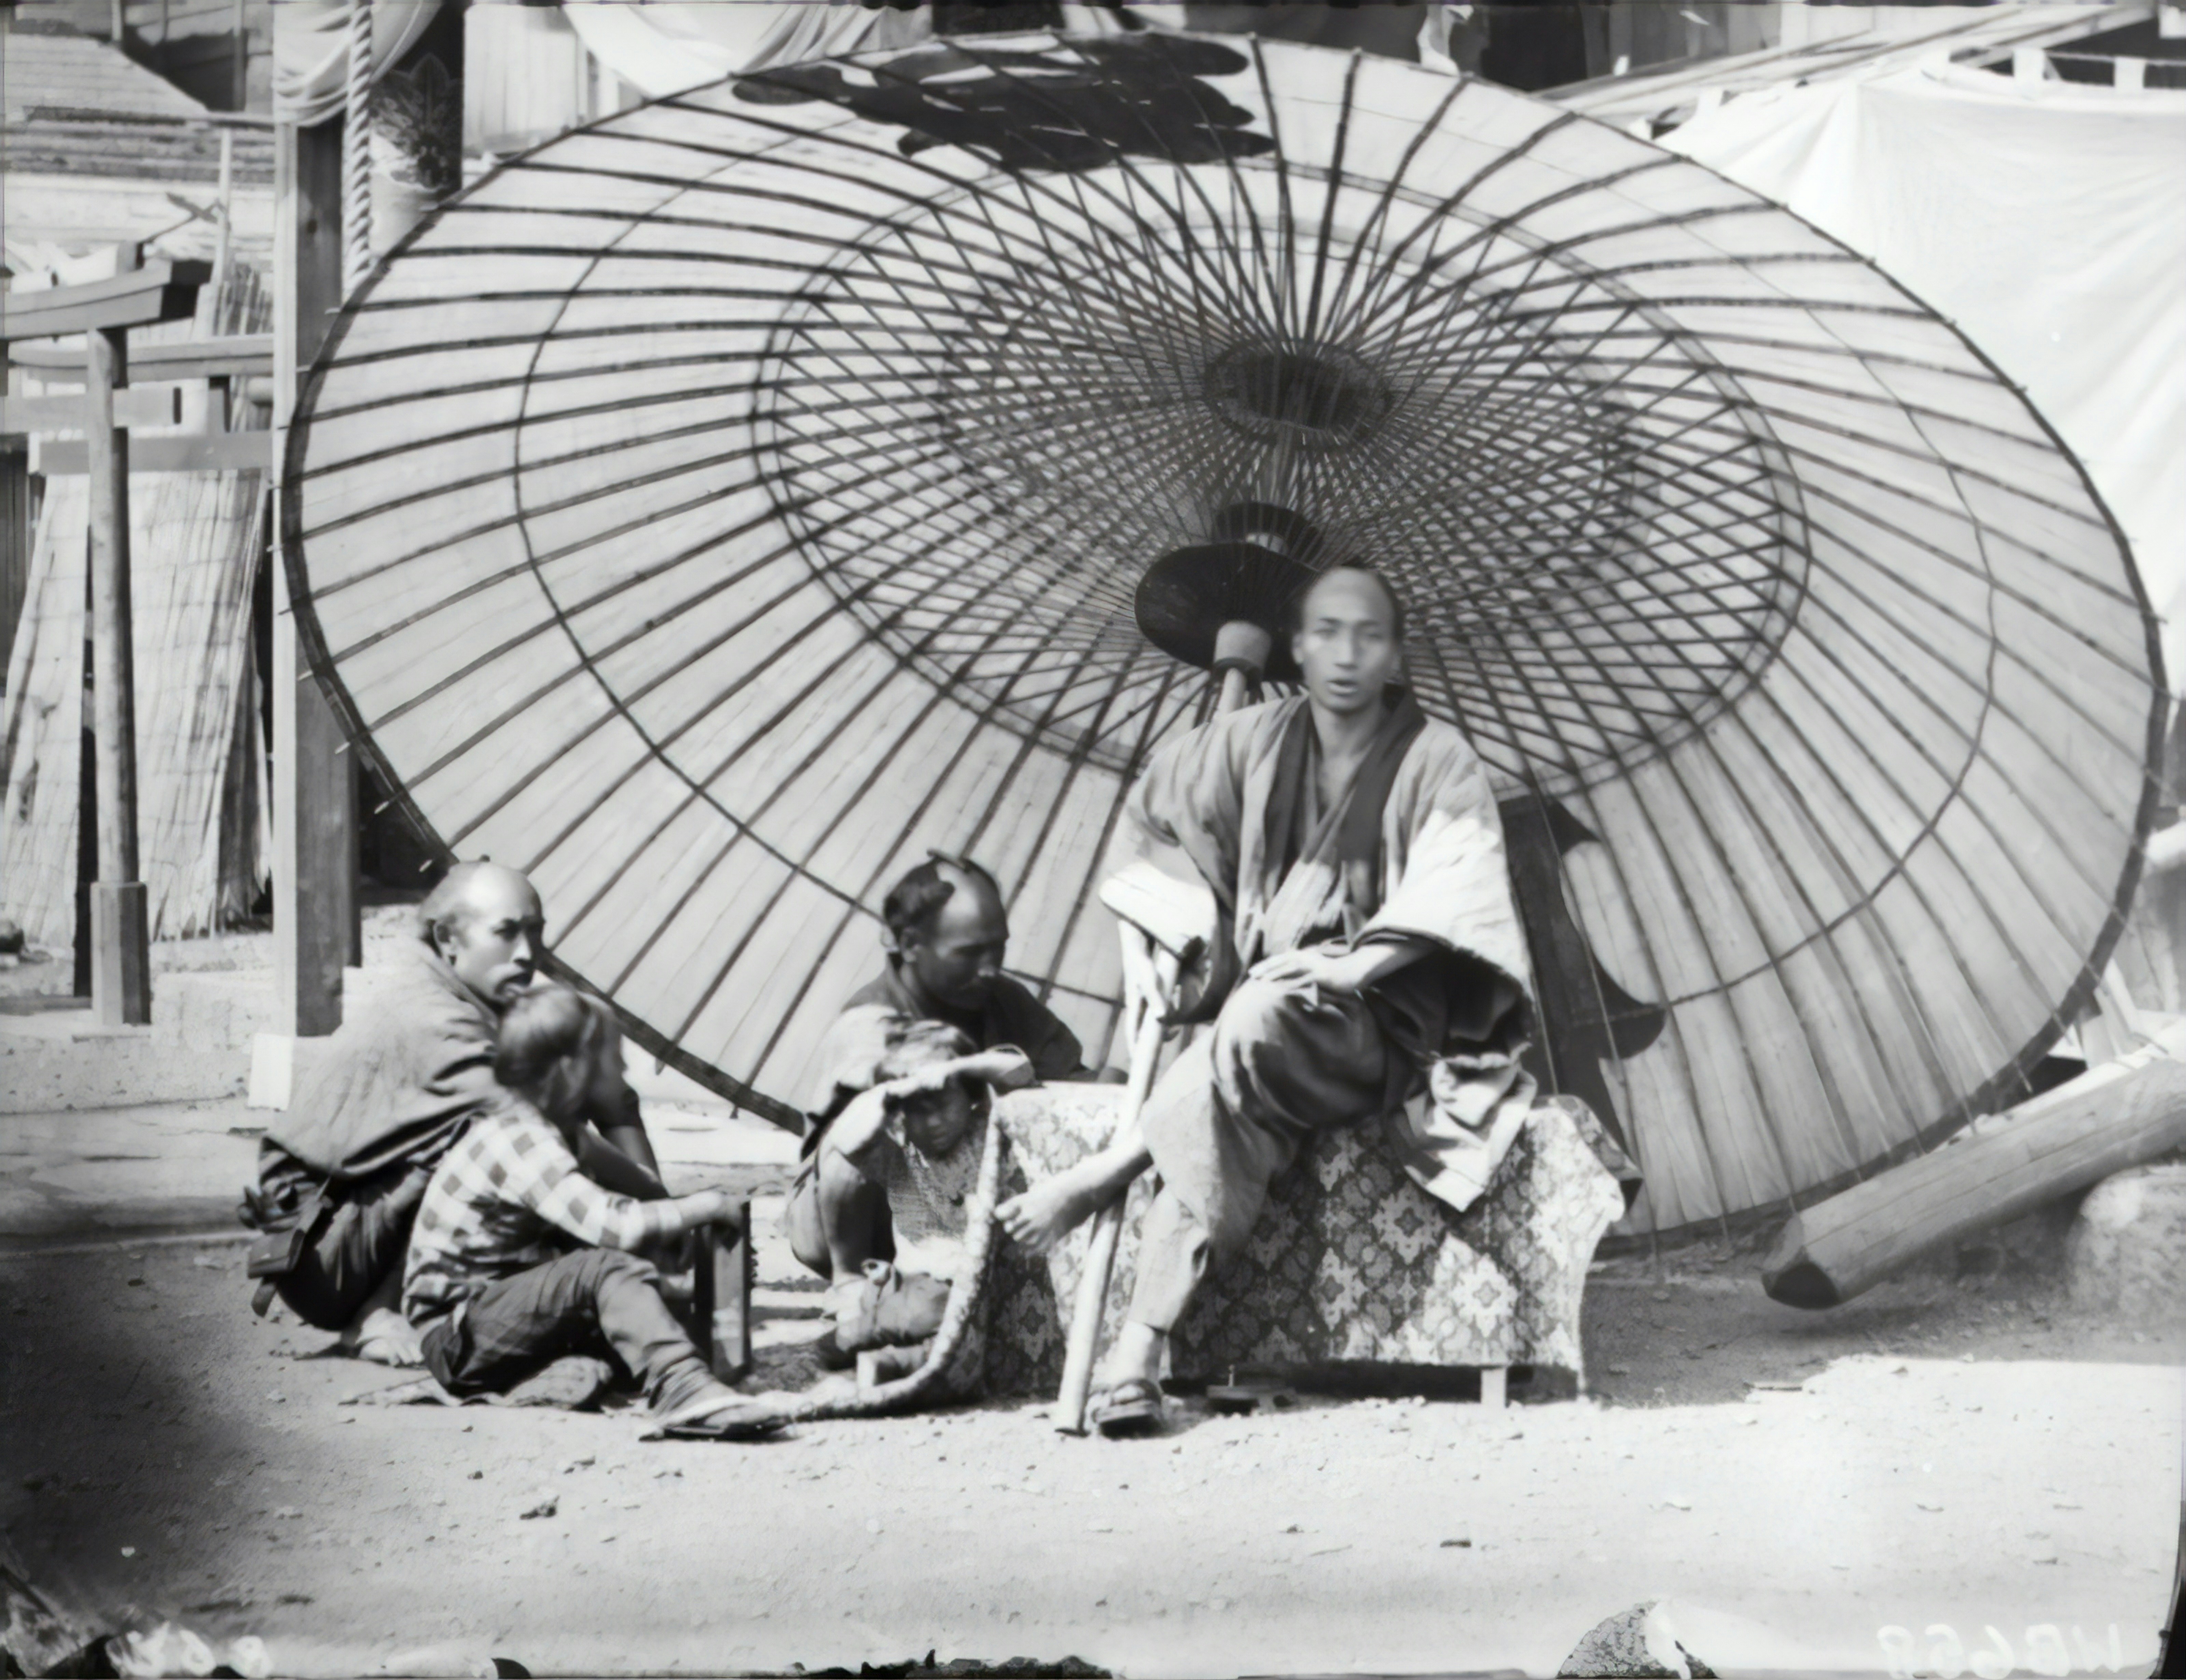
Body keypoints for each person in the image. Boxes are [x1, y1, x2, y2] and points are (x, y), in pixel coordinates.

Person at [996, 566, 1539, 1435]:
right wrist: (1167, 944)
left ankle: (1107, 1172)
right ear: (1296, 645)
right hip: (1256, 1011)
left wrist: (1351, 970)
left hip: (1376, 1027)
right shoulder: (1249, 738)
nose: (1347, 653)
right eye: (1326, 631)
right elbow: (1153, 837)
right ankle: (1137, 1354)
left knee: (1248, 1026)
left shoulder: (1437, 759)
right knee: (1228, 1072)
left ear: (1394, 650)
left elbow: (1461, 884)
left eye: (1368, 634)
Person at [240, 862, 663, 1362]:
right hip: (324, 1254)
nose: (527, 954)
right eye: (507, 933)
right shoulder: (433, 1017)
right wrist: (659, 1208)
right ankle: (380, 1314)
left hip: (357, 1225)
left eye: (536, 933)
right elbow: (548, 1140)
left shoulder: (470, 997)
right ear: (448, 939)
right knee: (494, 1137)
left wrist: (616, 1102)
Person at [401, 984, 778, 1439]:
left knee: (646, 1297)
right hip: (457, 1335)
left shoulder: (562, 1132)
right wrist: (705, 1206)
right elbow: (614, 1225)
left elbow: (648, 1195)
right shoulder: (521, 1140)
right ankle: (682, 1389)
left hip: (503, 1321)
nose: (623, 1067)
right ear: (572, 1071)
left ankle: (556, 1375)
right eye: (612, 1056)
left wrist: (691, 1241)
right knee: (605, 1268)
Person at [786, 853, 1087, 1289]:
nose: (990, 968)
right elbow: (915, 1118)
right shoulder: (868, 1022)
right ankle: (848, 1286)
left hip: (955, 1215)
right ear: (909, 945)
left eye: (998, 947)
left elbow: (1074, 1080)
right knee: (871, 1121)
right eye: (968, 953)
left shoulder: (1002, 999)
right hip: (857, 1226)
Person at [808, 1019, 1037, 1366]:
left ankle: (897, 1357)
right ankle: (892, 1347)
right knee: (909, 1308)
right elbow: (844, 1140)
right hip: (910, 1288)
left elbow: (1020, 1071)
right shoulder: (897, 1153)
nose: (933, 1124)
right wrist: (890, 1094)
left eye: (944, 1106)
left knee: (941, 1316)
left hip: (975, 1288)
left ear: (969, 1096)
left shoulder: (988, 1130)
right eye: (919, 1112)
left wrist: (958, 1068)